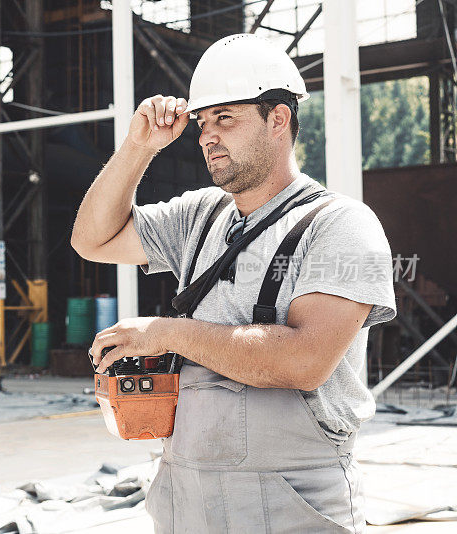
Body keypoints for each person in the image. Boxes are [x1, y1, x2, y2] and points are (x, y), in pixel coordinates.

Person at [72, 34, 397, 533]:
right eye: (203, 123)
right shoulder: (198, 216)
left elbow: (304, 361)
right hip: (188, 494)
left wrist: (167, 333)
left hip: (291, 497)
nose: (207, 136)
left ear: (278, 119)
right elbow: (92, 240)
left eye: (226, 118)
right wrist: (139, 148)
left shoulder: (341, 225)